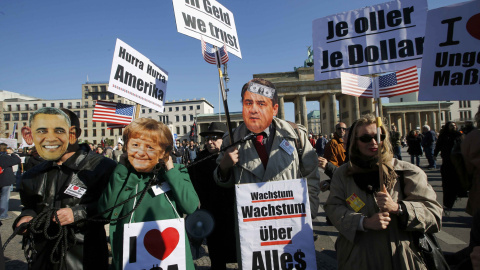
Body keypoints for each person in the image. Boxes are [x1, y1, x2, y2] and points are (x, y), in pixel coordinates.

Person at [324, 114, 442, 270]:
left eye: (379, 136)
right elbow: (333, 208)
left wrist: (399, 208)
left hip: (402, 258)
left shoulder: (408, 172)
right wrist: (363, 222)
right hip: (358, 258)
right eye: (365, 138)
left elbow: (434, 215)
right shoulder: (343, 174)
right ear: (355, 142)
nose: (373, 142)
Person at [13, 108, 117, 270]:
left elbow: (115, 207)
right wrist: (25, 219)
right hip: (42, 257)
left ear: (73, 133)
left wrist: (77, 213)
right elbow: (30, 206)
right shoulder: (33, 173)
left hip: (85, 257)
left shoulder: (102, 167)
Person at [98, 118, 199, 270]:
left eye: (150, 147)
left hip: (170, 257)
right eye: (135, 145)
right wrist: (122, 171)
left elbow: (190, 206)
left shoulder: (177, 171)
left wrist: (170, 170)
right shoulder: (122, 174)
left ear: (164, 151)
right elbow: (105, 211)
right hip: (131, 257)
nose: (141, 152)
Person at [214, 78, 320, 219]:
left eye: (261, 103)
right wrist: (224, 167)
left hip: (291, 223)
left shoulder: (296, 136)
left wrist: (309, 210)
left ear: (274, 109)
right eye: (248, 103)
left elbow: (311, 176)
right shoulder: (231, 140)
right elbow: (220, 181)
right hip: (252, 227)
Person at [188, 122, 237, 270]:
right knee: (217, 255)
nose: (209, 141)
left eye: (214, 137)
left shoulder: (235, 157)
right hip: (212, 214)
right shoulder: (199, 161)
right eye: (207, 138)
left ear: (225, 139)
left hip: (233, 213)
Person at [434, 121, 464, 211]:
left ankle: (459, 192)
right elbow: (438, 145)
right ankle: (449, 199)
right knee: (447, 179)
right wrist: (435, 154)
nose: (453, 127)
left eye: (454, 125)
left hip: (457, 159)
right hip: (447, 159)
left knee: (458, 177)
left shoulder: (459, 135)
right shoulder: (444, 136)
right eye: (451, 125)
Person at [0, 143, 21, 220]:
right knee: (4, 197)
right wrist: (12, 153)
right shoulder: (4, 157)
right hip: (5, 179)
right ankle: (2, 214)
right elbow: (17, 160)